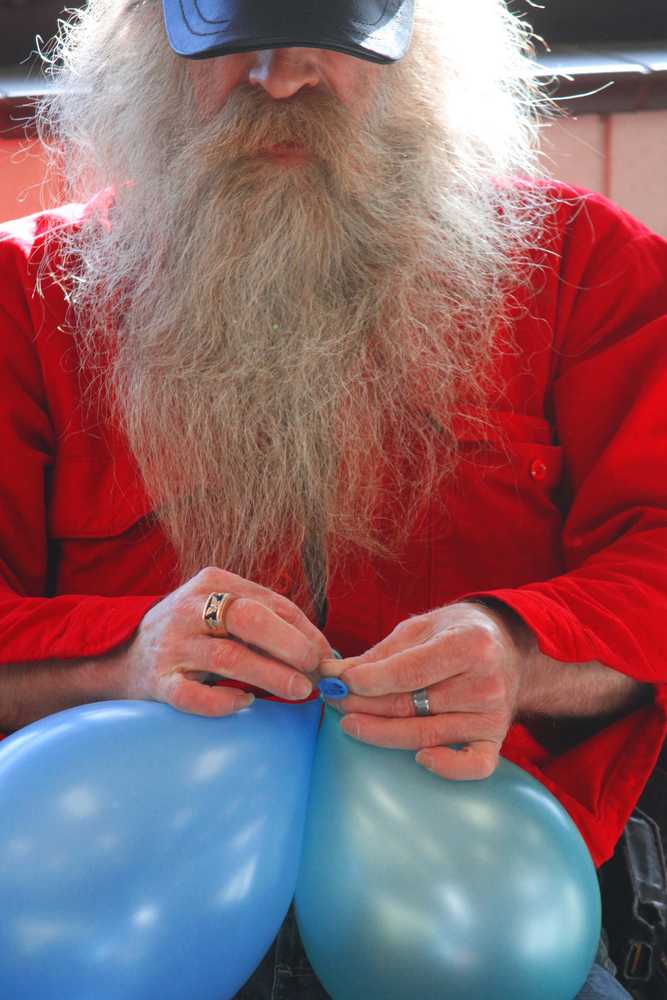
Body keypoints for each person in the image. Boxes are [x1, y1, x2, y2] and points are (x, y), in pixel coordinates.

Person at [0, 0, 665, 996]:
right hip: (106, 914)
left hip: (486, 912)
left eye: (336, 33)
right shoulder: (22, 292)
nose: (281, 78)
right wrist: (122, 657)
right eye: (226, 34)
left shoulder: (590, 271)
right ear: (140, 38)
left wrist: (519, 650)